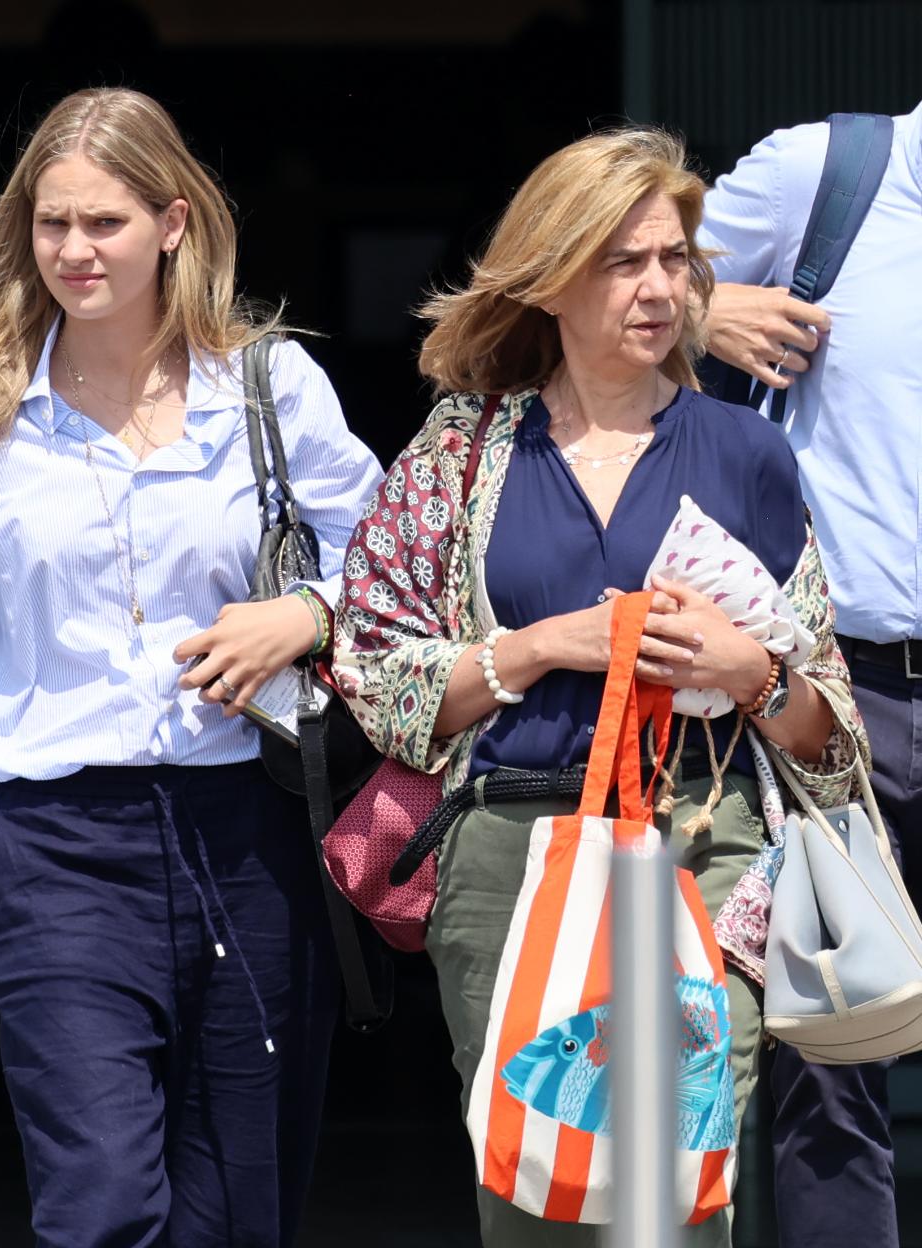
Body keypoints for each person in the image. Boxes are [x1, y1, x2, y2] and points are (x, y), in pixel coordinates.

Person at [0, 87, 381, 1248]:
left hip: (255, 835)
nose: (75, 251)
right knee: (101, 1208)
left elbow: (397, 564)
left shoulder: (271, 389)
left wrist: (302, 612)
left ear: (173, 222)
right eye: (53, 225)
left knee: (241, 1214)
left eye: (105, 223)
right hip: (58, 858)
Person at [332, 128, 868, 1247]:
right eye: (625, 262)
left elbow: (832, 736)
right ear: (552, 278)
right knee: (537, 1194)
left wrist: (752, 673)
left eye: (676, 260)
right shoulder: (464, 450)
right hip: (508, 862)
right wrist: (530, 650)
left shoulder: (744, 454)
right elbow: (372, 672)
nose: (662, 288)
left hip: (701, 847)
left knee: (670, 1202)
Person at [698, 99, 922, 1248]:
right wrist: (702, 300)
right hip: (842, 694)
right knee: (831, 1058)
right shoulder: (829, 172)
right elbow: (567, 278)